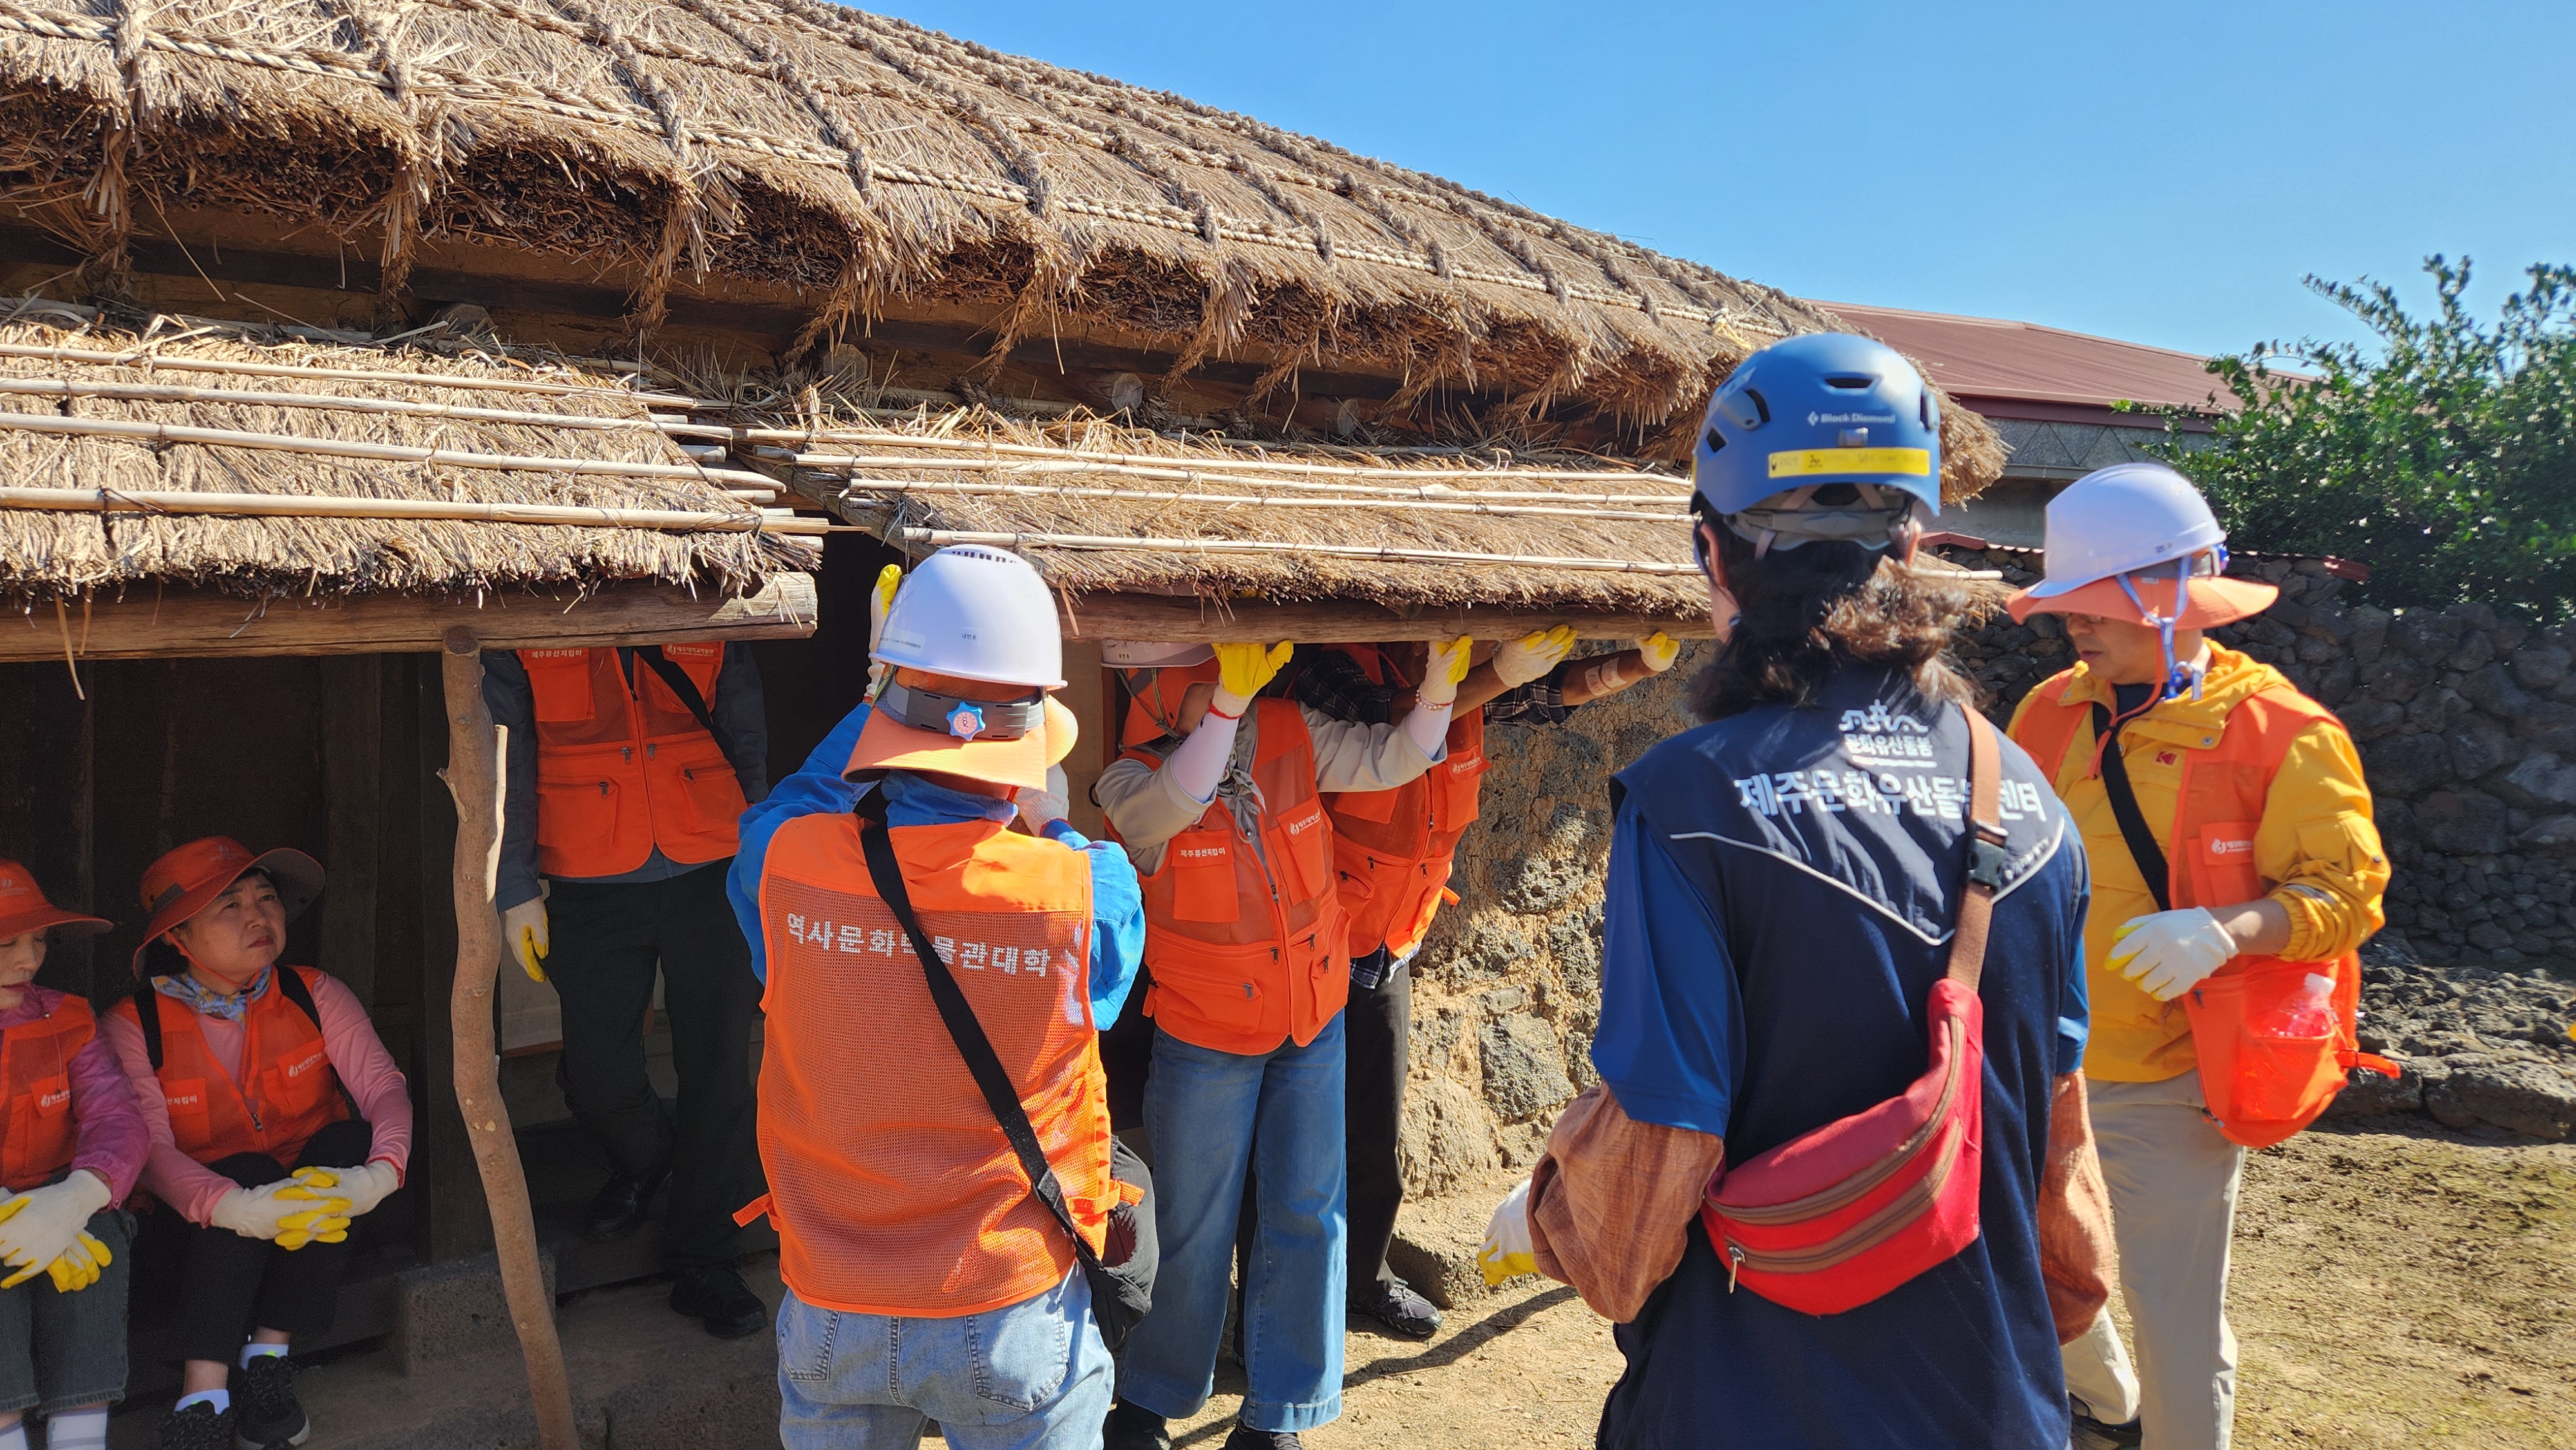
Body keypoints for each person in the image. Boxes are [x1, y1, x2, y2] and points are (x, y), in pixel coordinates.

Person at [1478, 334, 2112, 1449]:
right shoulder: (2023, 794)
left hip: (1749, 1397)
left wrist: (1546, 1216)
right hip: (1998, 1404)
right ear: (1913, 541)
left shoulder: (1689, 799)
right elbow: (2068, 1188)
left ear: (1714, 557)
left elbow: (1640, 1207)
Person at [2004, 462, 2390, 1450]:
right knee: (2029, 1278)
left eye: (2093, 608)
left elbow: (2345, 896)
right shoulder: (2049, 710)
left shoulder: (2284, 733)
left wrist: (2226, 932)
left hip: (2170, 1077)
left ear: (2166, 598)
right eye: (2069, 608)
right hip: (2038, 1066)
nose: (2073, 627)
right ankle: (2109, 1409)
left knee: (2176, 1320)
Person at [727, 545, 1144, 1450]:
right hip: (1004, 1301)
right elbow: (1096, 993)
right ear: (1029, 749)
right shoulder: (1086, 893)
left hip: (831, 1294)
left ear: (885, 729)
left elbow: (799, 799)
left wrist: (884, 682)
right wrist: (1056, 819)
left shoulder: (782, 866)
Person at [1096, 635, 1461, 1450]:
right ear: (1155, 697)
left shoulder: (1284, 729)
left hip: (1311, 1018)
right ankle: (1149, 1401)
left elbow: (1391, 758)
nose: (1233, 695)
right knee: (1192, 1222)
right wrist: (1223, 709)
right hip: (1208, 1035)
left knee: (1308, 1212)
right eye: (1205, 680)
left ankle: (1279, 1414)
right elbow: (1178, 801)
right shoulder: (1127, 781)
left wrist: (1440, 688)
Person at [1266, 630, 1682, 1339]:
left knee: (1374, 1132)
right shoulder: (1324, 658)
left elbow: (1556, 690)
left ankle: (1363, 1280)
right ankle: (1269, 1313)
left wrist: (1635, 664)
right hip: (1311, 938)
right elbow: (1384, 712)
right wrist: (1493, 669)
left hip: (1388, 939)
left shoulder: (1458, 665)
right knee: (1287, 1141)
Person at [482, 638, 770, 1337]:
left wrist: (767, 849)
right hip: (586, 874)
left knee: (722, 1067)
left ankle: (706, 1257)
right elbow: (503, 760)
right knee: (596, 1067)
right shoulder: (523, 620)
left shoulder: (706, 597)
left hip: (715, 860)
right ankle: (646, 1160)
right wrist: (516, 884)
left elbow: (746, 731)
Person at [99, 838, 410, 1450]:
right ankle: (203, 1398)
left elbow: (384, 1087)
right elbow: (149, 1150)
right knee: (241, 1169)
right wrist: (229, 1205)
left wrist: (380, 1174)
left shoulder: (313, 992)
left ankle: (267, 1361)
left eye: (266, 899)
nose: (258, 917)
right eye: (228, 906)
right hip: (194, 1235)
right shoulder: (133, 1025)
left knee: (348, 1142)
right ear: (177, 939)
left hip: (318, 1219)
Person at [0, 862, 145, 1450]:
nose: (29, 959)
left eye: (37, 940)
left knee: (101, 1241)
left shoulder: (69, 1016)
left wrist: (76, 1198)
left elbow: (117, 1116)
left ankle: (79, 1439)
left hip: (60, 1190)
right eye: (7, 941)